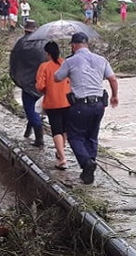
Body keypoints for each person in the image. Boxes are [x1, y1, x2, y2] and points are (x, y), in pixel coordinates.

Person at [54, 32, 119, 185]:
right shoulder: (101, 59)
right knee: (92, 135)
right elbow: (113, 79)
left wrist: (64, 65)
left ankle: (87, 163)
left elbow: (56, 78)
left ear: (73, 45)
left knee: (75, 136)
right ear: (87, 44)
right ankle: (90, 164)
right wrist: (114, 96)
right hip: (99, 105)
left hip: (80, 105)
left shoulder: (71, 61)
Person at [9, 20, 48, 147]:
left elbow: (14, 61)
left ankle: (39, 139)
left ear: (25, 30)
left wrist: (16, 78)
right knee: (37, 108)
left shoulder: (21, 43)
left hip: (27, 83)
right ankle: (28, 131)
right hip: (43, 83)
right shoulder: (45, 43)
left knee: (30, 110)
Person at [36, 41, 71, 170]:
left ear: (48, 53)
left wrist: (46, 90)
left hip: (52, 102)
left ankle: (62, 159)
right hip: (68, 101)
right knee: (64, 129)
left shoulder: (44, 66)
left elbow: (40, 86)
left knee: (56, 130)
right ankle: (61, 149)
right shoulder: (65, 64)